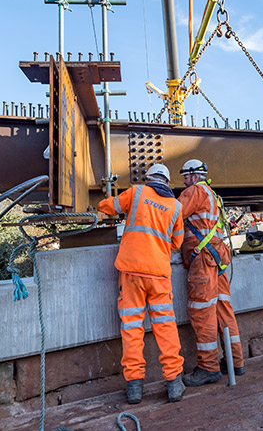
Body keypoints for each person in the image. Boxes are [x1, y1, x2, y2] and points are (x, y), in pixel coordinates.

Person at [97, 163, 186, 404]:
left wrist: (100, 200)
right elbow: (177, 243)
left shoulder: (136, 193)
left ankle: (135, 388)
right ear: (167, 183)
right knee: (166, 327)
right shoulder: (176, 207)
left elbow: (110, 207)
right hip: (158, 274)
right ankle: (174, 383)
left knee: (132, 328)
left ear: (149, 179)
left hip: (131, 272)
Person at [177, 159, 245, 386]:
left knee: (202, 310)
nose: (184, 183)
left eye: (186, 177)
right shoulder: (214, 195)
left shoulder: (195, 191)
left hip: (203, 259)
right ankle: (235, 361)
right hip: (218, 256)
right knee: (223, 308)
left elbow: (172, 216)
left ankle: (208, 367)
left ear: (195, 176)